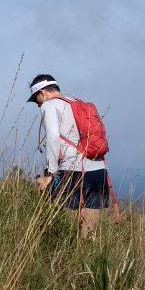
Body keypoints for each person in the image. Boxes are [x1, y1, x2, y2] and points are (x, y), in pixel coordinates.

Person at [29, 74, 109, 238]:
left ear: (42, 93)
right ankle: (88, 254)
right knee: (89, 232)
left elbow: (53, 136)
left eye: (36, 100)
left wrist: (50, 173)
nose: (38, 105)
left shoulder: (49, 105)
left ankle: (62, 251)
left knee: (62, 227)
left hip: (72, 170)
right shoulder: (77, 102)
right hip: (99, 169)